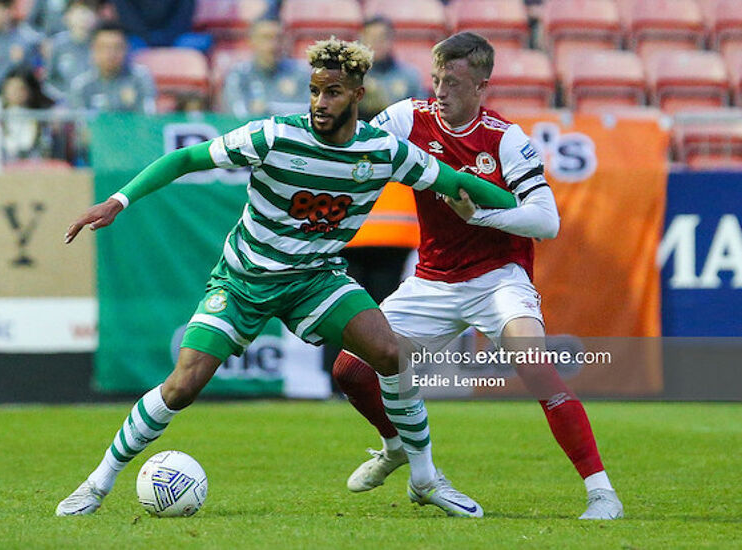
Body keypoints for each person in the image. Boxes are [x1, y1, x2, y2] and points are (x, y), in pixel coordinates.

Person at [56, 37, 517, 518]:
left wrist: (527, 207)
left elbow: (457, 183)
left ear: (357, 96)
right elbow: (186, 159)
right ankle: (96, 484)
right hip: (244, 280)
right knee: (182, 386)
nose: (321, 102)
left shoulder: (384, 151)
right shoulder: (273, 136)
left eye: (334, 92)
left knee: (389, 352)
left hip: (315, 279)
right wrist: (118, 201)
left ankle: (425, 479)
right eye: (315, 91)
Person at [332, 32, 624, 520]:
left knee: (533, 362)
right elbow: (360, 147)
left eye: (453, 82)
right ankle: (395, 447)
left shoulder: (505, 139)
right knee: (351, 369)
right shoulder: (409, 117)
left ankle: (602, 493)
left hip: (498, 277)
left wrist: (482, 217)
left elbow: (546, 220)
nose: (441, 91)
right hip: (433, 280)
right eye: (436, 79)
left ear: (482, 85)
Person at [219, 17, 310, 118]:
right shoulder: (238, 75)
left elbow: (310, 114)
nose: (273, 45)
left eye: (279, 38)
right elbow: (238, 115)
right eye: (266, 38)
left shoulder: (301, 73)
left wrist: (267, 108)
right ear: (251, 40)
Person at [68, 21, 156, 113]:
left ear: (127, 49)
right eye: (104, 47)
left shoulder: (140, 78)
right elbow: (80, 124)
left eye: (117, 47)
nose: (111, 54)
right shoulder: (82, 85)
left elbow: (147, 118)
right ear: (93, 50)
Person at [0, 69, 55, 165]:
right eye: (10, 88)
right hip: (3, 165)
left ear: (29, 91)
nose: (14, 93)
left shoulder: (38, 111)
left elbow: (39, 147)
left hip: (30, 167)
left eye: (20, 89)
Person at [358, 16, 424, 121]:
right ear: (362, 40)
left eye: (382, 37)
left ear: (392, 39)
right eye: (371, 38)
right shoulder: (353, 76)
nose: (377, 43)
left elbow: (421, 116)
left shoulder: (410, 76)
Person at [43, 0, 98, 102]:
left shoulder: (100, 44)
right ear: (67, 16)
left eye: (89, 12)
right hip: (66, 106)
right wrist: (63, 99)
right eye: (79, 12)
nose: (84, 17)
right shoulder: (58, 45)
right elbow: (49, 82)